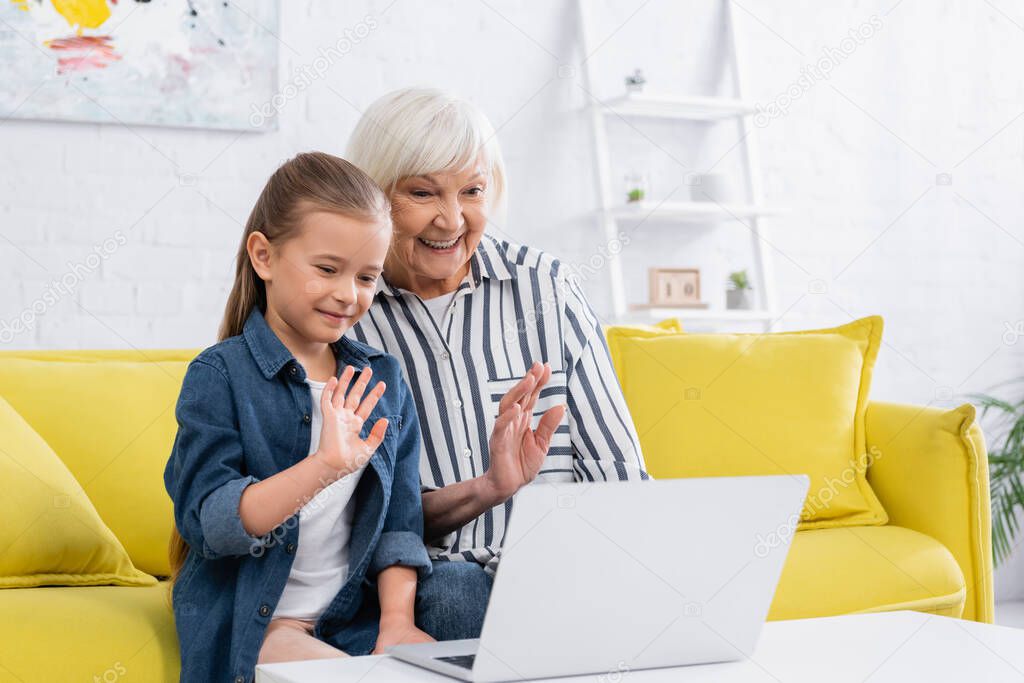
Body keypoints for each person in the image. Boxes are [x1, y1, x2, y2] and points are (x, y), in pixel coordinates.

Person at [345, 88, 650, 642]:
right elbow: (369, 522)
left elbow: (618, 471)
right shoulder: (348, 317)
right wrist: (486, 487)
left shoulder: (548, 288)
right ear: (374, 196)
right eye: (422, 192)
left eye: (472, 191)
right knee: (456, 593)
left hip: (559, 565)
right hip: (432, 577)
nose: (451, 219)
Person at [164, 152, 433, 683]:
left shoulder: (383, 379)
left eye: (366, 277)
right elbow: (211, 523)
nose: (347, 295)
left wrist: (397, 623)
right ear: (264, 256)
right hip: (255, 624)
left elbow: (401, 522)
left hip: (348, 619)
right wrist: (325, 466)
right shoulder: (220, 376)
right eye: (327, 270)